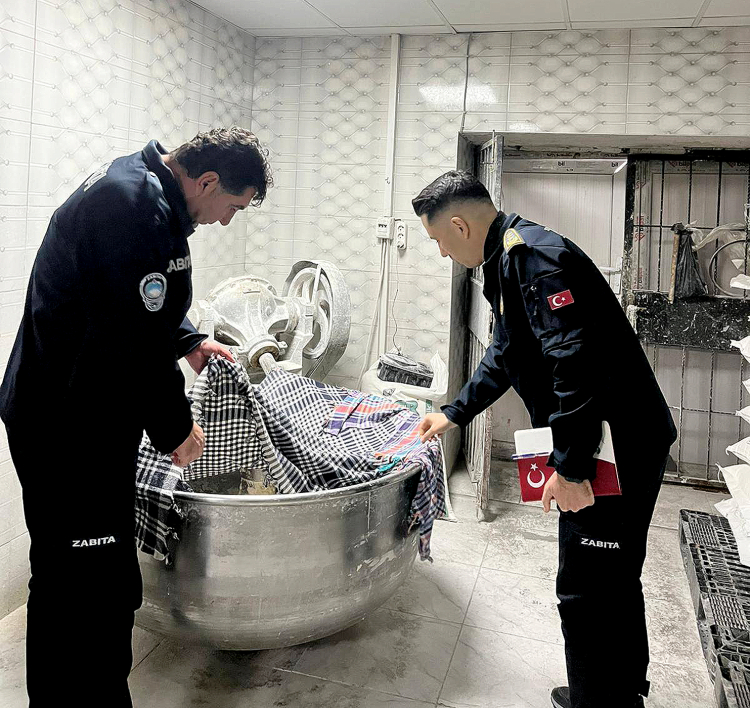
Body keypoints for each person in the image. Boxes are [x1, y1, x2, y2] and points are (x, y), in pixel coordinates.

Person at [0, 126, 272, 707]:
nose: (226, 221)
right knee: (84, 583)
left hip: (85, 415)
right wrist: (176, 429)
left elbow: (138, 293)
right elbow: (131, 340)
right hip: (65, 425)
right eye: (233, 207)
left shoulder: (145, 191)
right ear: (208, 181)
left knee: (98, 577)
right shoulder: (127, 204)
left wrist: (190, 340)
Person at [414, 171, 676, 708]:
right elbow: (507, 351)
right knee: (614, 574)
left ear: (460, 225)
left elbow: (573, 364)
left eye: (438, 239)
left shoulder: (533, 258)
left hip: (614, 446)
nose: (442, 252)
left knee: (586, 586)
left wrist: (573, 468)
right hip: (619, 436)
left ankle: (596, 701)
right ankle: (617, 693)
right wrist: (455, 413)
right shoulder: (510, 259)